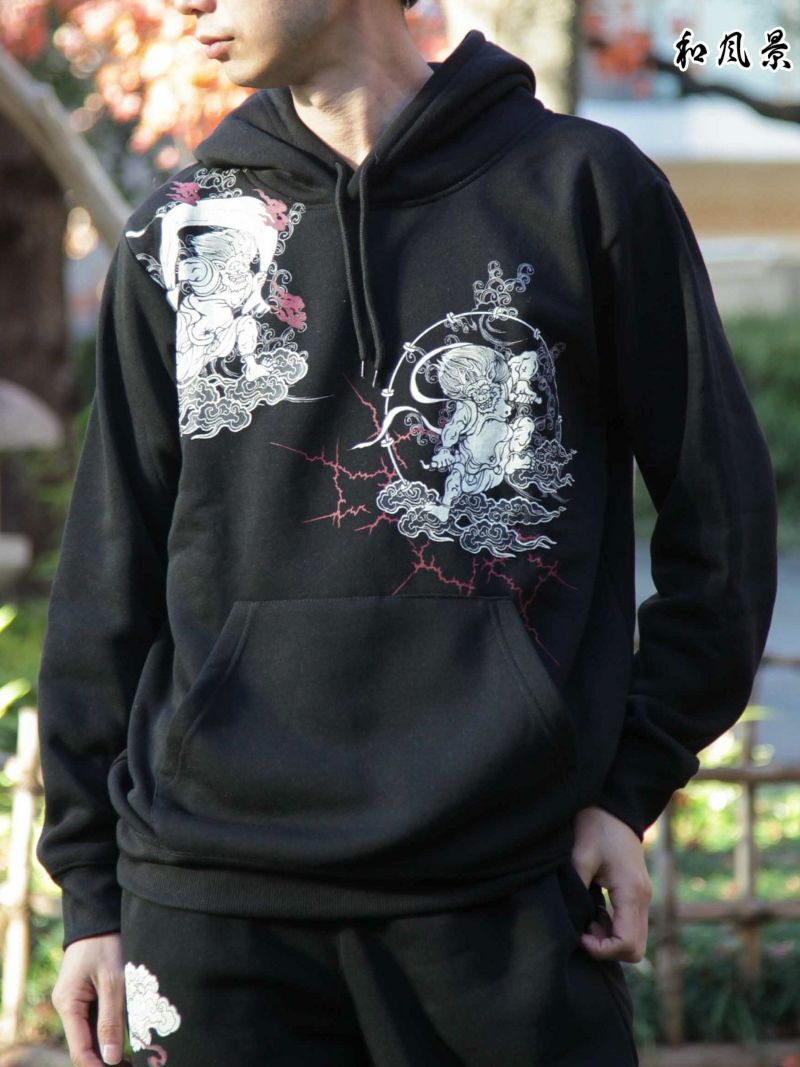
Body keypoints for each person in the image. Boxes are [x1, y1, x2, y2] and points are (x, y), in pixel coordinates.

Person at [35, 0, 779, 1064]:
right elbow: (110, 568)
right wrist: (89, 891)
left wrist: (630, 786)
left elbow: (723, 519)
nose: (186, 3)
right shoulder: (181, 232)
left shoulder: (583, 191)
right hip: (211, 908)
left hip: (505, 900)